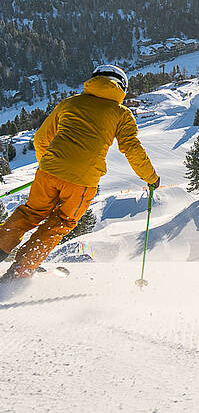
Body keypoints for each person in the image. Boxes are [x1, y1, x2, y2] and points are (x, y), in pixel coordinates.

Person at [0, 65, 159, 281]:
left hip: (49, 172)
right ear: (122, 87)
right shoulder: (121, 114)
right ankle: (22, 268)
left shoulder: (70, 103)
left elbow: (40, 139)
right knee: (61, 222)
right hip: (82, 182)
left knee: (30, 213)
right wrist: (151, 178)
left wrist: (49, 166)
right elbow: (132, 149)